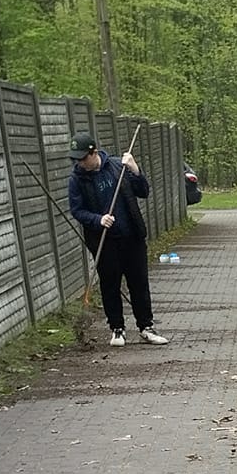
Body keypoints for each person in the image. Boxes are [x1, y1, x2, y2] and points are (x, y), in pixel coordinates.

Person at [66, 134, 169, 348]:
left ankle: (146, 327)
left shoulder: (117, 167)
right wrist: (98, 219)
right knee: (110, 284)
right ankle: (117, 329)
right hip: (103, 240)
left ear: (94, 153)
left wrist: (135, 169)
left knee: (139, 283)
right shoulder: (77, 179)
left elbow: (144, 191)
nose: (80, 163)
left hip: (132, 237)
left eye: (83, 158)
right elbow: (77, 210)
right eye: (76, 159)